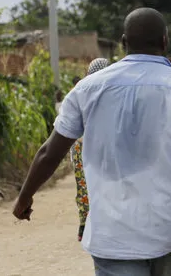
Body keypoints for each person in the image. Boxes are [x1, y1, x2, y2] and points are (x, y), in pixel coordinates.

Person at [13, 8, 171, 276]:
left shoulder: (87, 89)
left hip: (112, 234)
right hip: (168, 229)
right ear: (165, 41)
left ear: (123, 42)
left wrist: (24, 197)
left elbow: (49, 152)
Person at [70, 57, 110, 242]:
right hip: (102, 145)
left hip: (80, 145)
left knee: (84, 186)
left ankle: (84, 225)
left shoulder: (81, 90)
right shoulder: (112, 90)